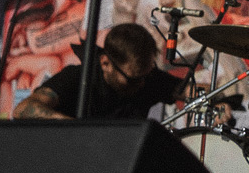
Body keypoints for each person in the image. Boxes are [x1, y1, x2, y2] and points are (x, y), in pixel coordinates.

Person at [13, 23, 180, 120]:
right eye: (132, 80)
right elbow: (24, 109)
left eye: (146, 75)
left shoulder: (146, 78)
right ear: (105, 63)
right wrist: (78, 129)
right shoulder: (78, 77)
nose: (142, 84)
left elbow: (188, 90)